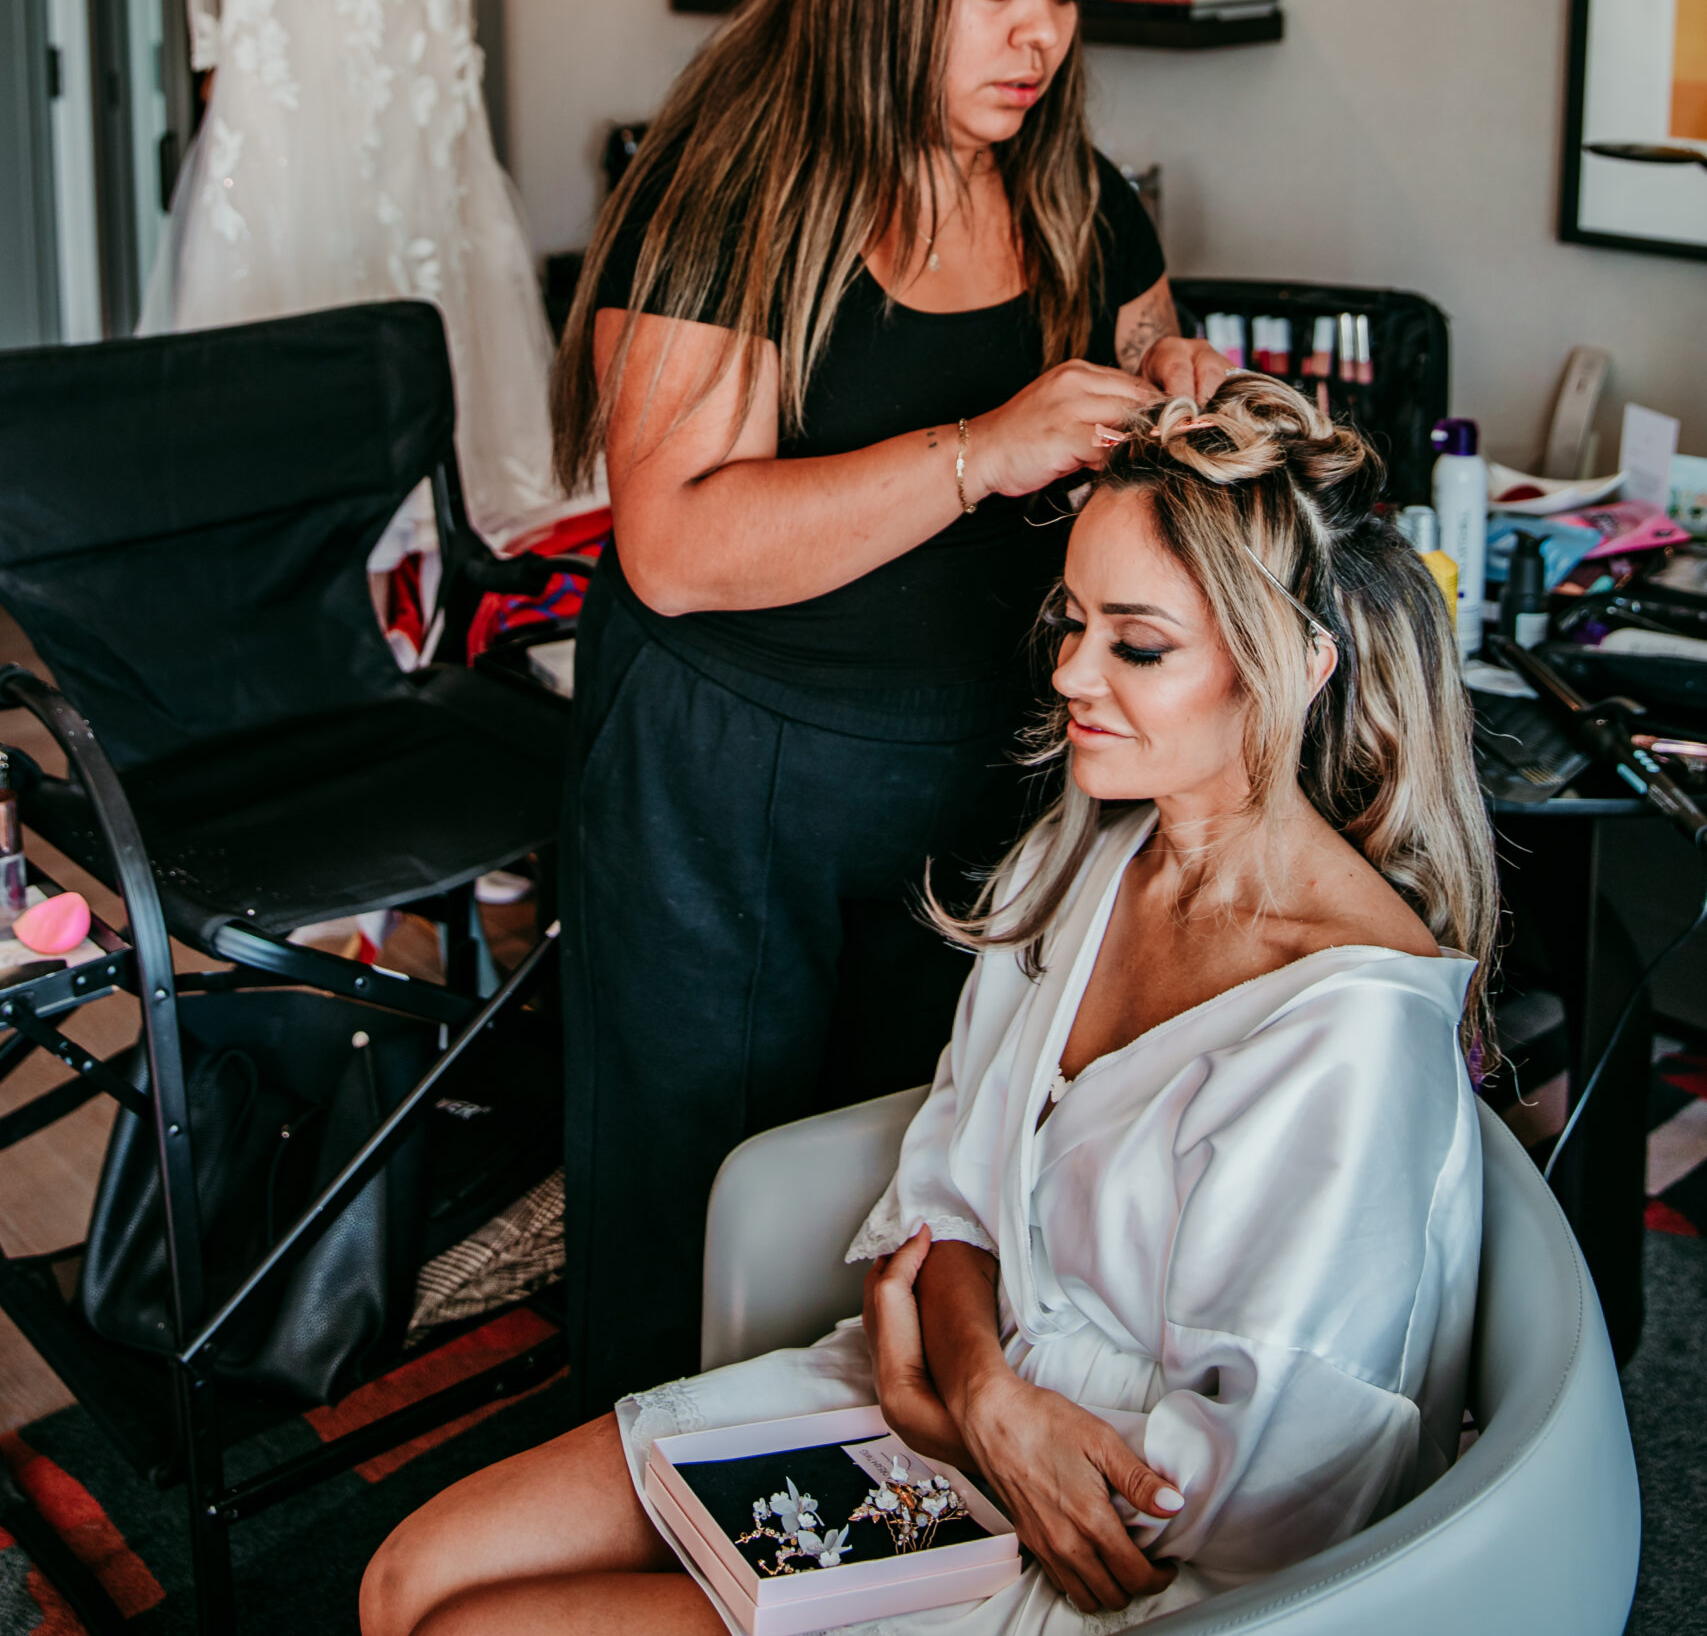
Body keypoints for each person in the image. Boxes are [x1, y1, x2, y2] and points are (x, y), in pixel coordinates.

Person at [363, 376, 1498, 1636]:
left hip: (1129, 1572)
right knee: (407, 1580)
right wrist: (970, 1386)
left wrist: (967, 1410)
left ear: (1297, 666)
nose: (1071, 671)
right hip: (943, 1393)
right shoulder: (1087, 857)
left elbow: (1258, 1513)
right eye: (1071, 622)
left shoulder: (1348, 1043)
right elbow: (947, 1186)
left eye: (1137, 644)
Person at [549, 0, 1229, 1413]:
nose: (1038, 37)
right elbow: (676, 549)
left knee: (912, 1160)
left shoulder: (1072, 192)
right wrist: (978, 453)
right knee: (699, 1179)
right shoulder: (731, 194)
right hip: (737, 764)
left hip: (982, 758)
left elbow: (1147, 356)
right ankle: (656, 1487)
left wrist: (1178, 389)